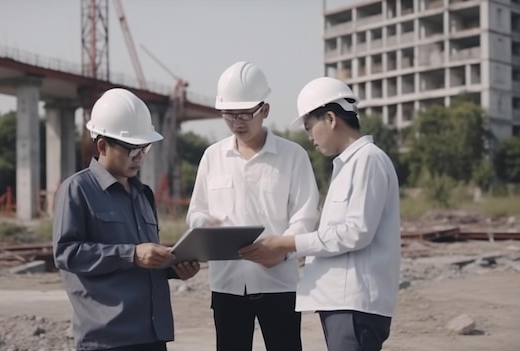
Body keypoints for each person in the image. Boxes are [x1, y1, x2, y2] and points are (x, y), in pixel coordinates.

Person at [240, 76, 401, 351]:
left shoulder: (368, 161)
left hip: (354, 305)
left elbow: (355, 233)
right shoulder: (349, 165)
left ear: (330, 118)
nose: (310, 137)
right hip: (343, 304)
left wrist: (286, 243)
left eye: (309, 127)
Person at [52, 88, 200, 351]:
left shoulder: (143, 194)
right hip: (109, 338)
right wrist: (131, 255)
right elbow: (67, 253)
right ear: (102, 146)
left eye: (145, 148)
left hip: (153, 333)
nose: (140, 157)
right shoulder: (77, 190)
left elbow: (143, 259)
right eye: (132, 149)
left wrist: (172, 266)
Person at [186, 61, 320, 351]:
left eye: (246, 114)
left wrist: (281, 250)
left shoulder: (292, 156)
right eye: (229, 115)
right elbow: (196, 212)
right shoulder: (212, 157)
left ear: (265, 110)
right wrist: (204, 225)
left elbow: (305, 214)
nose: (238, 122)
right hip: (227, 284)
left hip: (278, 283)